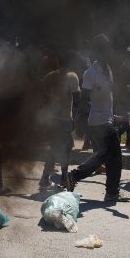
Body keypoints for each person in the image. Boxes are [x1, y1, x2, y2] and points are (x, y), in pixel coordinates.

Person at [65, 34, 130, 202]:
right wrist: (81, 121)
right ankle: (110, 192)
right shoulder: (90, 73)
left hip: (106, 119)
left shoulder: (107, 69)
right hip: (97, 121)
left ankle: (75, 177)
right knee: (113, 156)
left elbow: (109, 95)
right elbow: (84, 99)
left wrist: (114, 115)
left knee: (104, 155)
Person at [39, 52, 81, 190]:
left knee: (55, 147)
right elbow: (77, 100)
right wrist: (76, 119)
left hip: (52, 118)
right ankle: (62, 178)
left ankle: (46, 178)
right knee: (65, 148)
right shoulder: (72, 76)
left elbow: (40, 91)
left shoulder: (51, 76)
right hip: (64, 119)